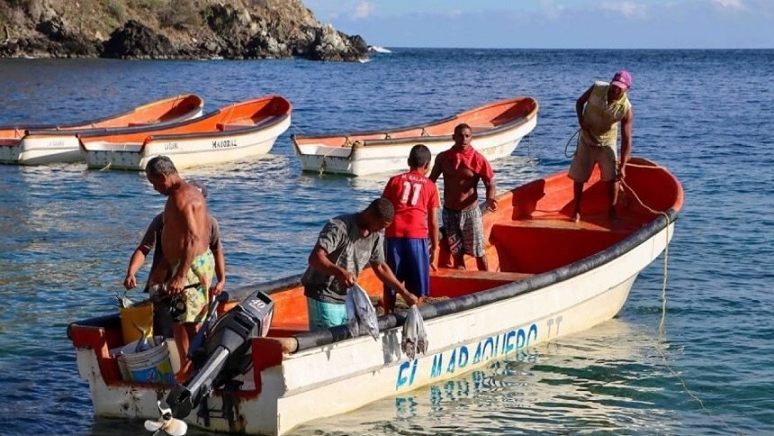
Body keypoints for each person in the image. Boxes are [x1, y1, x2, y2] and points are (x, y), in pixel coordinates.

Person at [122, 181, 226, 338]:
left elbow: (217, 251)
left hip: (192, 285)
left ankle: (190, 357)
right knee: (169, 329)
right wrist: (131, 272)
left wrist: (221, 280)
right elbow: (144, 248)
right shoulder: (162, 220)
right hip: (162, 286)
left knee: (191, 326)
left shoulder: (210, 223)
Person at [302, 198, 419, 331]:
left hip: (348, 298)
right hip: (323, 293)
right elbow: (315, 258)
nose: (381, 230)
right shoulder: (340, 226)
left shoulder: (375, 235)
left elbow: (380, 266)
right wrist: (340, 272)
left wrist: (404, 293)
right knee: (329, 342)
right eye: (380, 226)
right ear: (370, 215)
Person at [144, 155, 214, 378]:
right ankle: (195, 365)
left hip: (190, 266)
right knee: (190, 321)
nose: (155, 189)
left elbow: (193, 238)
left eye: (155, 183)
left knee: (180, 322)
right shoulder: (184, 192)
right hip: (192, 263)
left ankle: (187, 371)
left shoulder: (181, 198)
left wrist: (181, 275)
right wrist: (164, 266)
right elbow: (180, 237)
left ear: (164, 176)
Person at [429, 123, 497, 271]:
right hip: (450, 212)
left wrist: (490, 198)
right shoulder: (443, 158)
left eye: (467, 136)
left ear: (471, 138)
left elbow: (490, 182)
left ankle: (487, 280)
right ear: (454, 137)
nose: (463, 139)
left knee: (479, 252)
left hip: (471, 213)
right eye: (460, 135)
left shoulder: (478, 159)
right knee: (457, 253)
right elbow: (430, 181)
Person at [381, 144, 440, 313]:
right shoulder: (430, 186)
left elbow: (382, 207)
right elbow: (433, 221)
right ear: (427, 165)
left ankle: (388, 313)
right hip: (417, 236)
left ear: (408, 161)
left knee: (392, 279)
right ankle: (415, 315)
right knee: (417, 282)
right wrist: (435, 246)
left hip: (394, 234)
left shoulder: (395, 181)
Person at [569, 70, 634, 222]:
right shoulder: (597, 88)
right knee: (579, 177)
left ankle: (612, 211)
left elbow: (626, 139)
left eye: (620, 88)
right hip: (587, 139)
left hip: (607, 143)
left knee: (612, 178)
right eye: (614, 86)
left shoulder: (626, 109)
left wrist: (623, 165)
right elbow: (579, 102)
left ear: (627, 89)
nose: (615, 90)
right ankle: (576, 211)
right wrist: (581, 120)